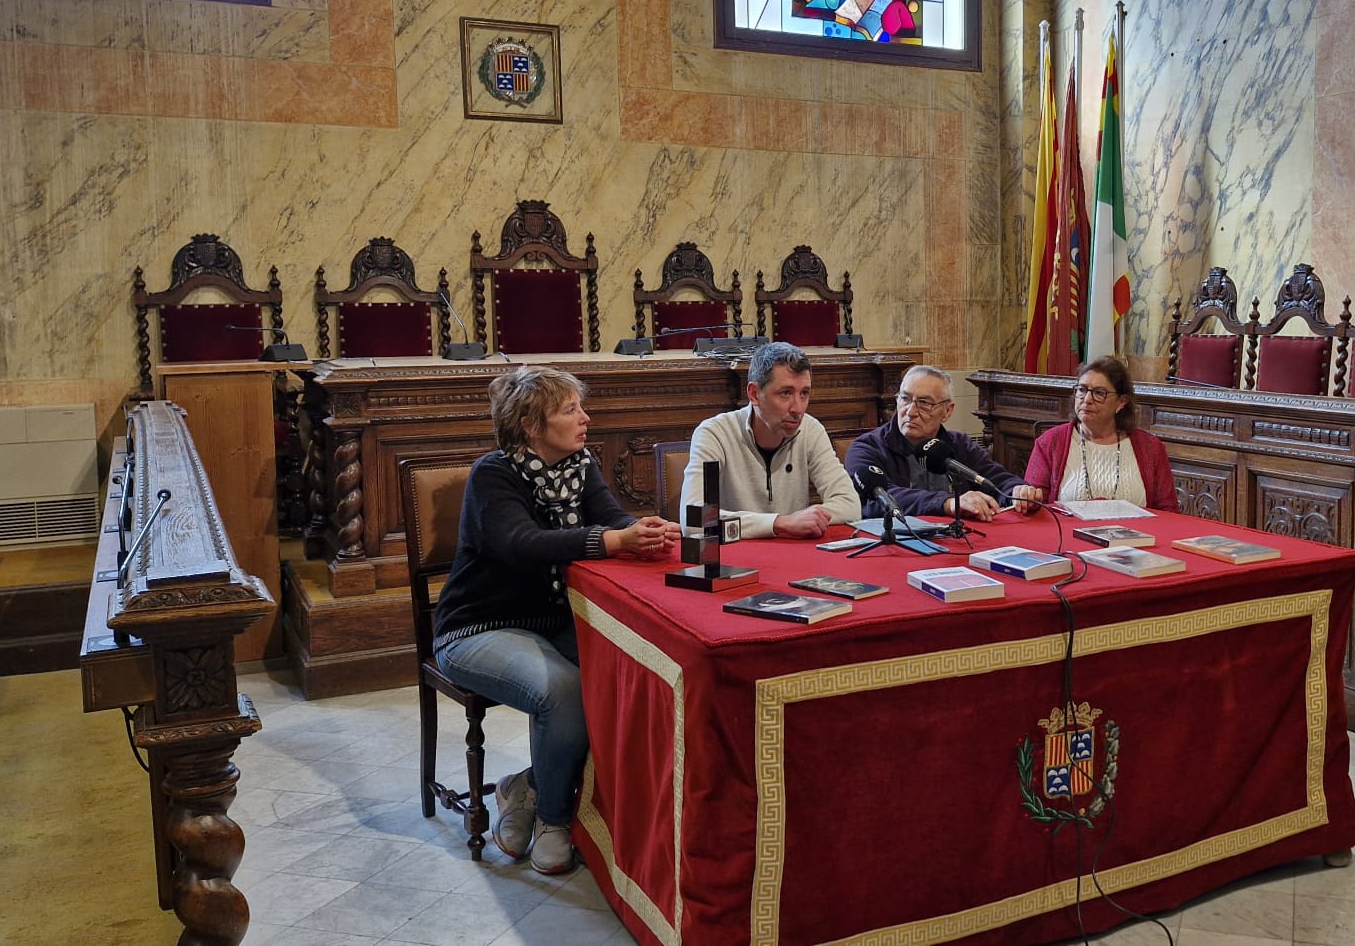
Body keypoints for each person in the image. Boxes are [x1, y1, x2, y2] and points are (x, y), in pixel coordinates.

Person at [431, 365, 680, 874]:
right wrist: (613, 540)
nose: (585, 418)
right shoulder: (493, 474)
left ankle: (524, 786)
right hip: (478, 627)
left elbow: (612, 519)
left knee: (621, 670)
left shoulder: (580, 465)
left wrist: (643, 529)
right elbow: (521, 545)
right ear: (531, 424)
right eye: (570, 410)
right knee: (564, 691)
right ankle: (553, 819)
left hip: (550, 621)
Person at [681, 341, 859, 538]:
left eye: (804, 393)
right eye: (786, 393)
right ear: (754, 394)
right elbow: (694, 519)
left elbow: (850, 505)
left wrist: (797, 522)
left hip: (792, 555)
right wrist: (780, 523)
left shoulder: (810, 429)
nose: (797, 408)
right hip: (735, 558)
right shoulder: (714, 434)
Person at [844, 364, 1045, 519]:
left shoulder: (958, 445)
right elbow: (880, 498)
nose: (911, 412)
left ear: (947, 411)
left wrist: (1018, 491)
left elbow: (997, 480)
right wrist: (947, 503)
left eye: (924, 403)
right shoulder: (867, 447)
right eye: (905, 399)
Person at [1023, 355, 1180, 511]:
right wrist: (1026, 496)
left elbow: (1169, 512)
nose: (1087, 399)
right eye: (1082, 390)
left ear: (1121, 402)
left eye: (1099, 393)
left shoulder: (1151, 448)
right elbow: (1032, 505)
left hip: (1139, 535)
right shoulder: (1050, 442)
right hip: (1067, 535)